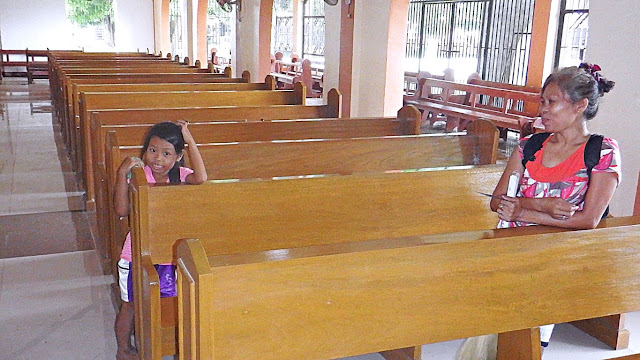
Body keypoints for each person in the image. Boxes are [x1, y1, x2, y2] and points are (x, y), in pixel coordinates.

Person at [457, 63, 620, 360]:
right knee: (492, 331)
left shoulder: (602, 151)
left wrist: (521, 211)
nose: (543, 109)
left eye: (551, 102)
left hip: (556, 259)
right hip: (511, 250)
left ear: (580, 105)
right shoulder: (529, 146)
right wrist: (539, 205)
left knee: (529, 338)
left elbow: (588, 219)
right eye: (542, 101)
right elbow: (498, 201)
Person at [114, 120, 207, 360]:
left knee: (168, 304)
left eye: (166, 153)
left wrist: (189, 139)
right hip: (135, 254)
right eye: (152, 150)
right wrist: (121, 173)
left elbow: (202, 178)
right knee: (130, 305)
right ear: (145, 150)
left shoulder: (181, 175)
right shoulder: (138, 174)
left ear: (177, 157)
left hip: (167, 253)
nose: (157, 159)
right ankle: (123, 349)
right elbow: (122, 210)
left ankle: (164, 344)